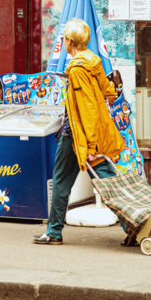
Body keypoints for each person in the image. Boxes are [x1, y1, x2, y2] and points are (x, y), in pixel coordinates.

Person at [33, 19, 127, 245]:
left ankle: (54, 232)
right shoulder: (93, 62)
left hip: (77, 136)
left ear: (69, 41)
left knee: (61, 182)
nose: (63, 40)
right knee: (109, 183)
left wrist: (91, 147)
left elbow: (87, 110)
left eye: (64, 37)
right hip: (91, 134)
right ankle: (133, 225)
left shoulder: (76, 69)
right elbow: (109, 92)